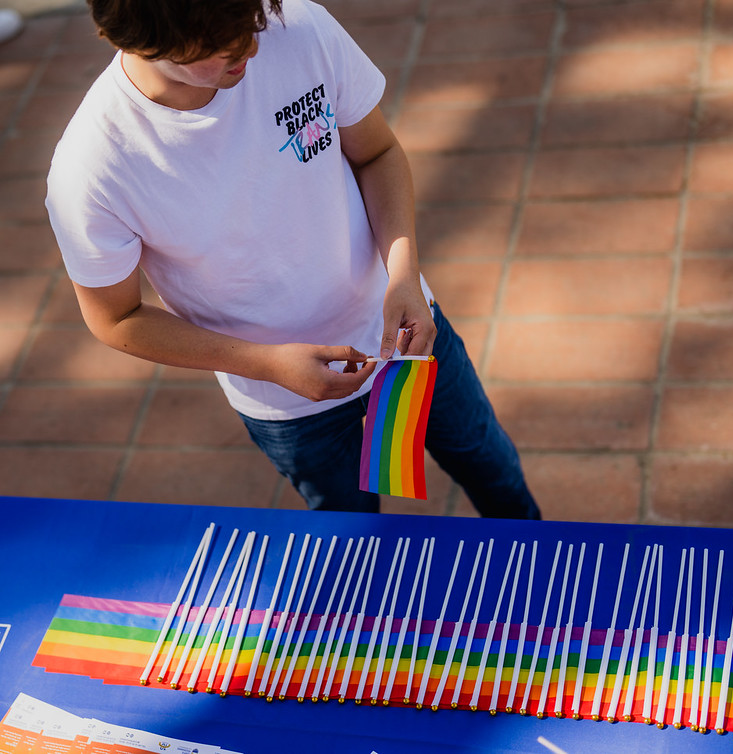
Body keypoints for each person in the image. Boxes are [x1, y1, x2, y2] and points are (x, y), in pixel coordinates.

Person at [46, 0, 540, 519]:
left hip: (407, 337)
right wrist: (266, 364)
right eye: (220, 51)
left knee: (492, 468)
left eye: (252, 26)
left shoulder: (297, 27)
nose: (252, 50)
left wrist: (404, 277)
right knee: (350, 532)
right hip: (289, 402)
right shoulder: (92, 168)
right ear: (137, 41)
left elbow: (376, 153)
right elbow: (115, 318)